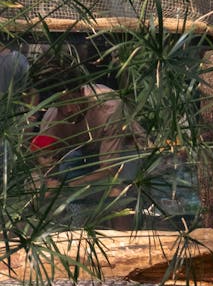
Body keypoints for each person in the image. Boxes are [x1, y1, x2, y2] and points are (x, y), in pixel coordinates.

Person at [32, 66, 147, 229]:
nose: (68, 110)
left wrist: (66, 187)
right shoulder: (53, 118)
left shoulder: (109, 106)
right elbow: (38, 151)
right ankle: (78, 236)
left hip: (126, 148)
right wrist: (45, 178)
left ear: (81, 92)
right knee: (72, 196)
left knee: (117, 192)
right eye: (60, 105)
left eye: (72, 102)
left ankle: (125, 243)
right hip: (87, 152)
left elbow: (110, 169)